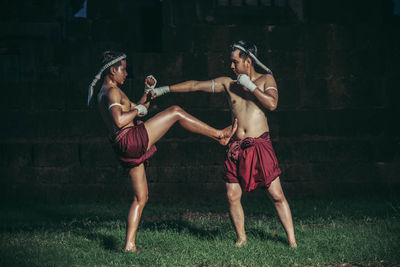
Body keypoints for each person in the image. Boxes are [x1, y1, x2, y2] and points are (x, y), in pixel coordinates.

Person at [148, 41, 297, 248]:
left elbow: (272, 104)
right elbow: (195, 85)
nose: (232, 66)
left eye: (235, 62)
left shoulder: (266, 79)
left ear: (248, 60)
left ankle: (292, 241)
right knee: (232, 195)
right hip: (236, 146)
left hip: (260, 145)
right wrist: (164, 89)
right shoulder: (229, 84)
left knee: (276, 195)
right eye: (231, 62)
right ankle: (241, 239)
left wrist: (251, 86)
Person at [87, 51, 237, 252]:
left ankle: (129, 245)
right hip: (130, 139)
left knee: (141, 197)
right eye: (124, 69)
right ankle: (219, 135)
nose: (126, 74)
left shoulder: (105, 92)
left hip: (122, 146)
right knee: (175, 111)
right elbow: (120, 120)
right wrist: (137, 112)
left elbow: (141, 108)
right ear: (113, 70)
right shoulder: (112, 92)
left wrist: (147, 92)